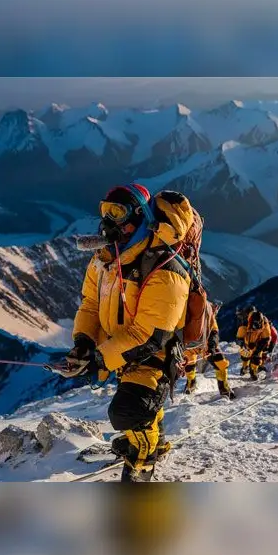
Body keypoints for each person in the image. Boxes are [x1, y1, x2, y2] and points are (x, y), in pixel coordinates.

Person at [53, 183, 195, 482]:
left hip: (155, 353)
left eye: (117, 212)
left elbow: (149, 334)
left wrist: (99, 359)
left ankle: (142, 462)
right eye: (105, 210)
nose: (108, 220)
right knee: (139, 402)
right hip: (122, 347)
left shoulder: (164, 268)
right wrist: (84, 342)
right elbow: (91, 304)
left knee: (129, 410)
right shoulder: (105, 259)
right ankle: (154, 438)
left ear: (141, 217)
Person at [183, 302, 235, 399]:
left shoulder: (198, 310)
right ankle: (192, 382)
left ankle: (222, 387)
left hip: (196, 345)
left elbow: (214, 332)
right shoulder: (207, 312)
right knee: (219, 362)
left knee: (218, 361)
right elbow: (214, 332)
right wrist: (212, 346)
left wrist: (212, 346)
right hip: (198, 344)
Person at [236, 306, 278, 381]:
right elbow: (240, 338)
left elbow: (266, 338)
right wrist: (243, 345)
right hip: (247, 341)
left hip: (258, 341)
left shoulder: (265, 323)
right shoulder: (245, 323)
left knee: (257, 357)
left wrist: (258, 350)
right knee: (245, 355)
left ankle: (253, 371)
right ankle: (245, 367)